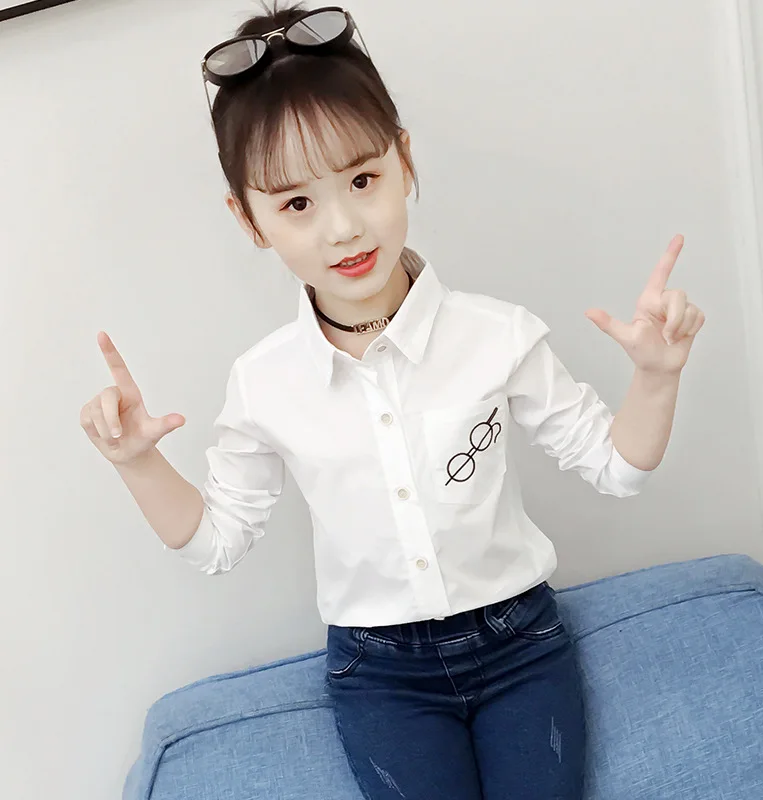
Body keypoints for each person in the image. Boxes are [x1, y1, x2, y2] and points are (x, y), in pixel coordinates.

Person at [79, 3, 705, 798]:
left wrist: (656, 377)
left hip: (520, 646)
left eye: (362, 180)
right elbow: (216, 541)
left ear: (403, 161)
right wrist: (138, 464)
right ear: (249, 219)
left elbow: (617, 468)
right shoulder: (265, 382)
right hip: (380, 677)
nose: (343, 227)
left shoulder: (498, 336)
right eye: (296, 203)